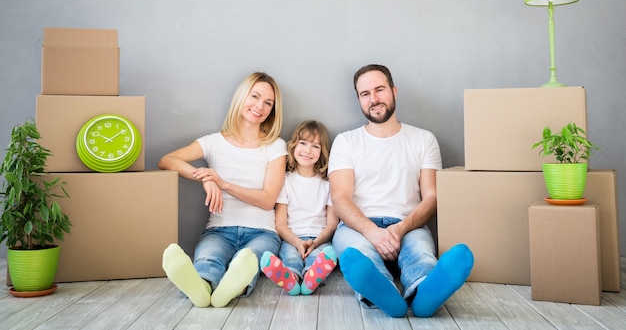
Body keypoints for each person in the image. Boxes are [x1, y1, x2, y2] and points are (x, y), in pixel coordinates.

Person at [329, 64, 474, 318]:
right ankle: (384, 294)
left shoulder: (423, 139)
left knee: (419, 253)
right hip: (358, 226)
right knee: (357, 254)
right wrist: (372, 232)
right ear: (359, 100)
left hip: (409, 224)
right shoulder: (346, 141)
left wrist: (401, 228)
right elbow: (340, 198)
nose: (373, 99)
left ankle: (423, 295)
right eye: (365, 94)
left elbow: (431, 197)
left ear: (394, 91)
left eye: (379, 89)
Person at [158, 72, 287, 308]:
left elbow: (268, 200)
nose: (260, 106)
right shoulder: (213, 142)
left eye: (268, 103)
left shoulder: (276, 146)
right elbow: (167, 160)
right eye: (255, 96)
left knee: (247, 261)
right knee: (208, 257)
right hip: (219, 230)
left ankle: (227, 289)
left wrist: (223, 183)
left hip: (262, 232)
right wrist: (205, 179)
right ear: (241, 97)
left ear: (272, 110)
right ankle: (204, 287)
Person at [260, 120, 339, 295]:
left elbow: (332, 224)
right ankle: (292, 279)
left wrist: (315, 242)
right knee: (290, 257)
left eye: (315, 146)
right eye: (303, 143)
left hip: (319, 239)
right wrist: (297, 242)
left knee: (321, 256)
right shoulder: (285, 180)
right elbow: (280, 224)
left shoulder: (328, 184)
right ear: (294, 145)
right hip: (291, 238)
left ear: (323, 152)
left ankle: (312, 279)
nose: (307, 150)